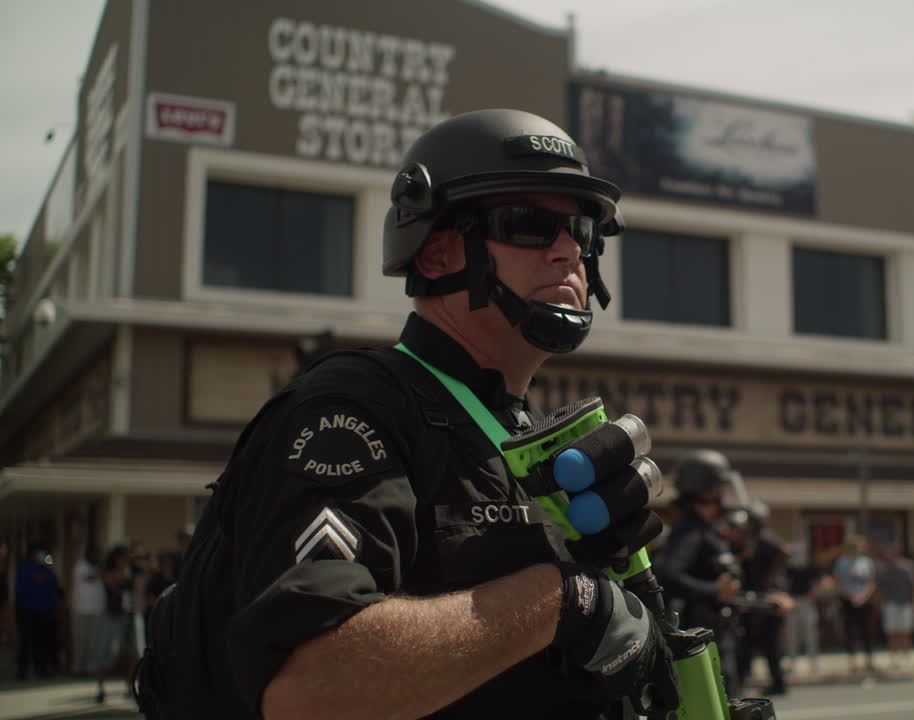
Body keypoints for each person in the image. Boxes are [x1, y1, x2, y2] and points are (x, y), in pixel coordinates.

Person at [136, 109, 678, 720]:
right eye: (528, 224)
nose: (566, 251)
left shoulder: (515, 433)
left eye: (580, 231)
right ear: (438, 254)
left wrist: (602, 576)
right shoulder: (351, 409)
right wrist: (564, 598)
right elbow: (311, 688)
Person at [655, 448, 745, 698]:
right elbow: (669, 576)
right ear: (708, 491)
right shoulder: (690, 530)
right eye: (721, 487)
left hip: (716, 632)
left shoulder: (704, 528)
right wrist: (714, 590)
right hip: (702, 633)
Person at [733, 502, 792, 696]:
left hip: (766, 600)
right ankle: (747, 682)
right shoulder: (751, 540)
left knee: (766, 644)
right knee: (752, 643)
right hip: (756, 599)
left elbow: (784, 552)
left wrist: (770, 580)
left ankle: (776, 683)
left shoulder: (765, 539)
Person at [95, 545, 138, 704]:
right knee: (107, 651)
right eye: (125, 556)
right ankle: (101, 688)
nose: (129, 558)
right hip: (114, 615)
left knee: (135, 652)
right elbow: (112, 583)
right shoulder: (110, 571)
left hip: (130, 614)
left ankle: (130, 687)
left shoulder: (133, 570)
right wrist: (124, 568)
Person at [14, 544, 61, 680]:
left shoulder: (48, 570)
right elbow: (18, 591)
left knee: (41, 642)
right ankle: (22, 671)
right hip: (27, 612)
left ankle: (41, 669)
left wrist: (54, 608)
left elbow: (54, 589)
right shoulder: (23, 569)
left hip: (44, 612)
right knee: (25, 643)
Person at [831, 534, 877, 672]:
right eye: (853, 546)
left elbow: (871, 582)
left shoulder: (867, 562)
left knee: (866, 631)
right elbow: (837, 582)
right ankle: (853, 662)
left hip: (864, 600)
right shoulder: (841, 562)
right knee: (850, 631)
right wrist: (850, 596)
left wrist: (863, 596)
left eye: (858, 546)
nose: (856, 549)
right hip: (847, 600)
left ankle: (869, 661)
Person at [876, 545, 914, 668]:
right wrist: (880, 603)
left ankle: (906, 655)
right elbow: (881, 588)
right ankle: (894, 656)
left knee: (905, 630)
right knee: (892, 631)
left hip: (905, 603)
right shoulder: (883, 569)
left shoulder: (907, 567)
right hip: (890, 603)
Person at [71, 544, 106, 677]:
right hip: (82, 609)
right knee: (80, 639)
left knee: (94, 641)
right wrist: (102, 570)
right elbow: (90, 578)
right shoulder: (81, 565)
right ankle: (77, 668)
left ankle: (91, 668)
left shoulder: (99, 566)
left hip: (97, 609)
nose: (98, 556)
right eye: (96, 554)